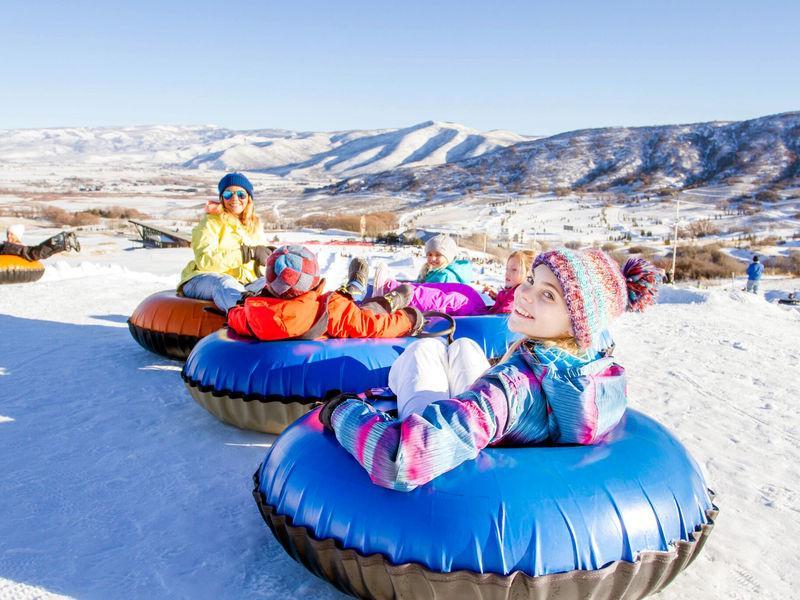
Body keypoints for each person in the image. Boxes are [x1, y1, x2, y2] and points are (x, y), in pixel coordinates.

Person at [319, 248, 661, 492]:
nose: (524, 293)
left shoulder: (511, 388)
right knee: (465, 347)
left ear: (578, 325)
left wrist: (342, 412)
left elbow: (401, 460)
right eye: (530, 280)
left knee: (423, 350)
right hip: (514, 425)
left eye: (549, 295)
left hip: (476, 451)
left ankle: (405, 378)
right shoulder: (595, 366)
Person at [227, 245, 425, 341]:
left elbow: (235, 317)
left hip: (327, 307)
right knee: (362, 310)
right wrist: (410, 318)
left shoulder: (255, 315)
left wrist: (238, 308)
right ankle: (385, 301)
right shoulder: (331, 308)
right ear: (313, 279)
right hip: (340, 311)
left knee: (350, 305)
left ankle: (355, 287)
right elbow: (371, 326)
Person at [178, 173, 272, 311]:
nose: (235, 199)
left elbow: (260, 263)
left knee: (271, 284)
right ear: (222, 198)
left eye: (241, 194)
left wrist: (271, 258)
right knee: (224, 283)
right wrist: (247, 254)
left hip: (243, 284)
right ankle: (246, 315)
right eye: (228, 194)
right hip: (203, 279)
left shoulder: (254, 226)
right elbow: (204, 261)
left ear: (249, 198)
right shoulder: (210, 223)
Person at [371, 250, 536, 316]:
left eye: (514, 270)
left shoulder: (521, 294)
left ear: (528, 275)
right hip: (485, 313)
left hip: (484, 320)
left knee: (451, 299)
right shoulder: (515, 291)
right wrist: (496, 297)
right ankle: (394, 286)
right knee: (462, 289)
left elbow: (506, 315)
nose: (507, 273)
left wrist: (497, 307)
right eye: (507, 269)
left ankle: (394, 293)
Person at [0, 224, 80, 260]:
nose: (8, 236)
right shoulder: (8, 245)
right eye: (8, 234)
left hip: (6, 247)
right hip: (4, 248)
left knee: (34, 252)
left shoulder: (13, 246)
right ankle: (61, 242)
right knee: (33, 253)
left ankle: (61, 243)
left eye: (11, 234)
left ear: (17, 235)